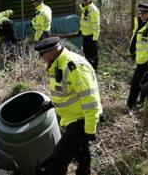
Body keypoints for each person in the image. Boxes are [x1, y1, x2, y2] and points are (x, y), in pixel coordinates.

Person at [35, 37, 102, 175]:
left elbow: (91, 101)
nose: (42, 59)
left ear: (51, 53)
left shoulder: (74, 66)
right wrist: (52, 104)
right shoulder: (59, 63)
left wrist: (89, 130)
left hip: (82, 121)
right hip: (72, 118)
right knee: (81, 153)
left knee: (58, 160)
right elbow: (68, 92)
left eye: (42, 55)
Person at [126, 3, 148, 115]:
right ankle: (145, 100)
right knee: (145, 80)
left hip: (146, 61)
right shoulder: (140, 22)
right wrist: (131, 52)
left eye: (144, 13)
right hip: (139, 58)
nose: (141, 15)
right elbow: (136, 38)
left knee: (135, 82)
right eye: (140, 13)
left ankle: (130, 105)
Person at [79, 0, 100, 70]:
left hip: (91, 36)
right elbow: (83, 21)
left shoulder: (93, 10)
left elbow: (96, 25)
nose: (84, 1)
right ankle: (88, 66)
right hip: (85, 34)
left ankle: (94, 68)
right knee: (86, 51)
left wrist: (95, 38)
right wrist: (80, 30)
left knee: (93, 54)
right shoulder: (84, 8)